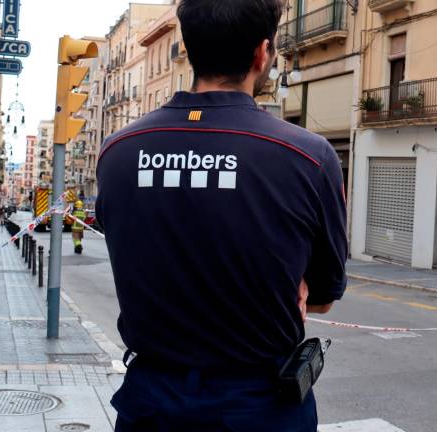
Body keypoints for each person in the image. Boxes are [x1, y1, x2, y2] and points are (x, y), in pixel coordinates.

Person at [95, 0, 348, 430]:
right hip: (259, 405)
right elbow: (322, 297)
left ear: (188, 48)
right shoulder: (309, 156)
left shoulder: (118, 151)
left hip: (150, 401)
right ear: (262, 53)